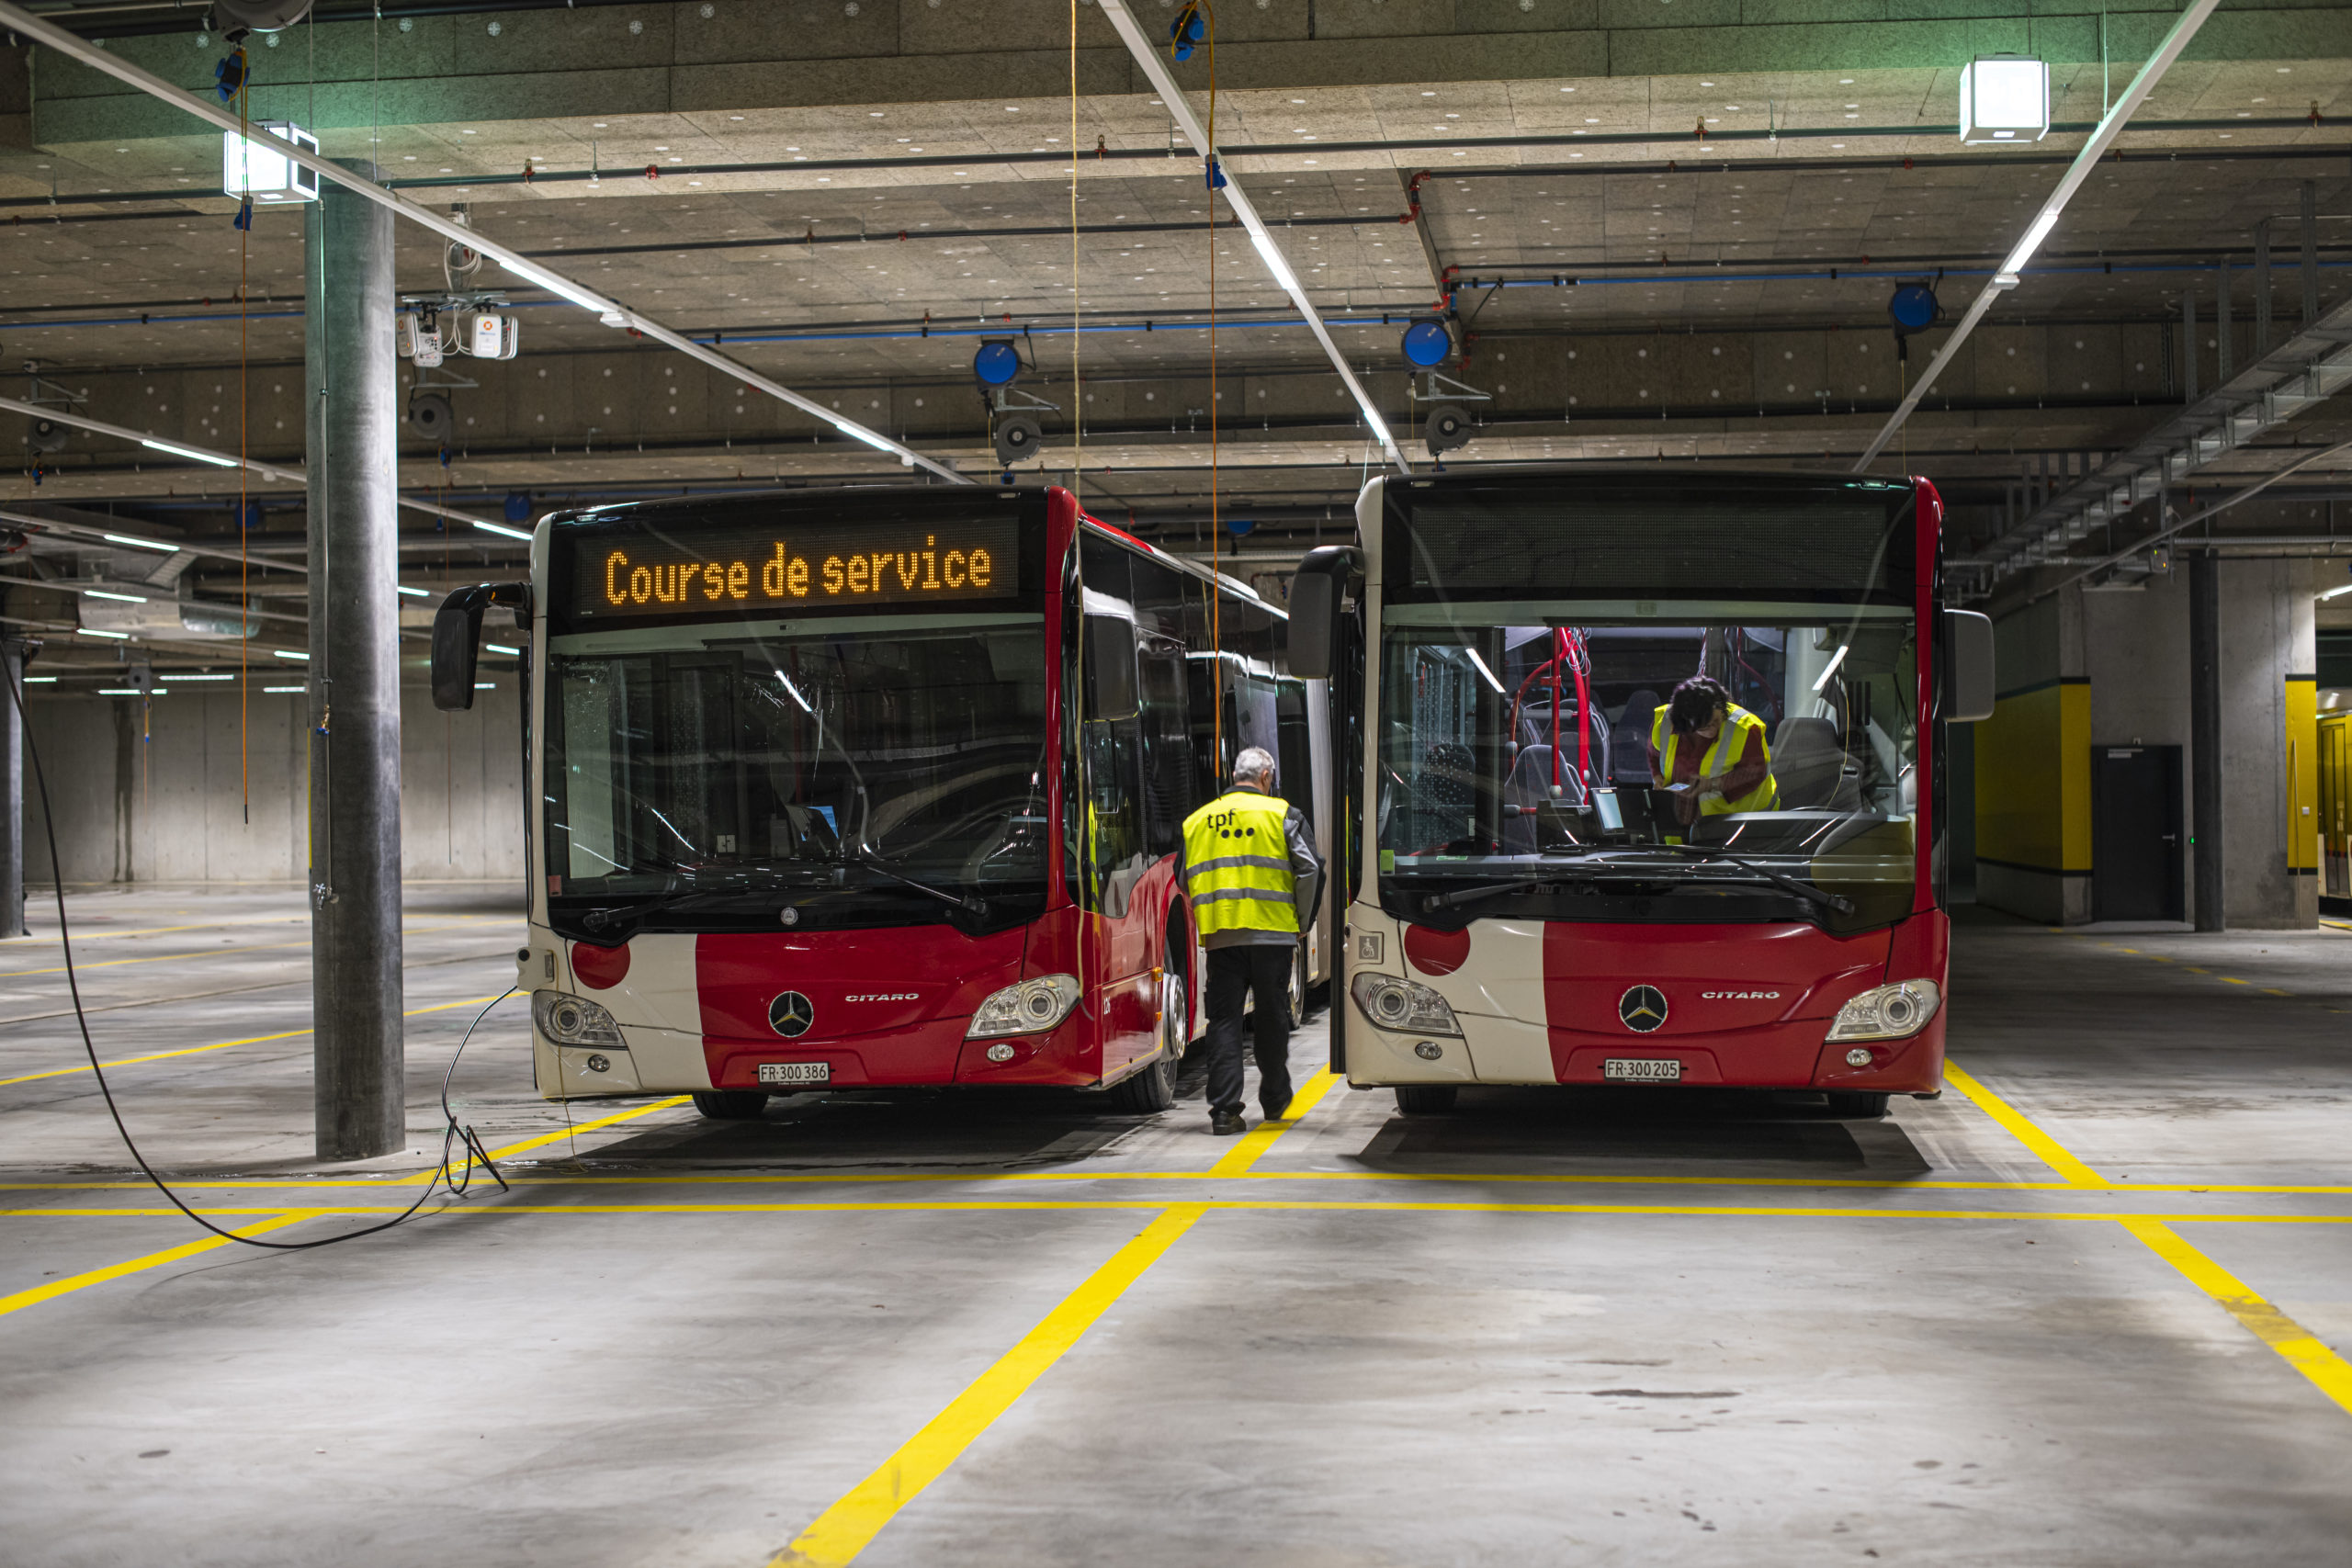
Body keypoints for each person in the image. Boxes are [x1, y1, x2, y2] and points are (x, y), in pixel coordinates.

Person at [1178, 746, 1323, 1136]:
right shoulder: (1283, 816)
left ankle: (1224, 1111)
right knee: (1271, 1016)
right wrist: (1302, 921)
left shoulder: (1197, 822)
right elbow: (1309, 868)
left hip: (1222, 937)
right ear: (1266, 778)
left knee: (1224, 1020)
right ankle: (1274, 1097)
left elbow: (1182, 879)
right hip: (1273, 935)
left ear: (1235, 774)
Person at [1647, 674, 1777, 829]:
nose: (1712, 730)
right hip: (1680, 822)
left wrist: (1714, 784)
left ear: (1722, 707)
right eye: (1704, 727)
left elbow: (1755, 772)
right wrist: (1657, 777)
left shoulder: (1745, 727)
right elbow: (1654, 753)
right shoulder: (1664, 723)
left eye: (1716, 721)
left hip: (1739, 826)